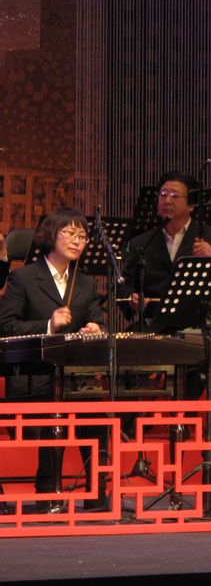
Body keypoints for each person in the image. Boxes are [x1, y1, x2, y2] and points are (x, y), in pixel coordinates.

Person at [0, 208, 107, 512]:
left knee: (98, 411)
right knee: (54, 406)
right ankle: (49, 489)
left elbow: (100, 322)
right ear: (50, 236)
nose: (77, 241)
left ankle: (97, 491)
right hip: (32, 374)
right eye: (69, 233)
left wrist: (96, 329)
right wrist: (48, 325)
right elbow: (6, 326)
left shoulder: (85, 283)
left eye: (82, 236)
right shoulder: (23, 277)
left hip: (73, 374)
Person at [121, 171, 211, 327]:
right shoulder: (140, 243)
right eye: (163, 195)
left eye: (175, 196)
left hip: (199, 326)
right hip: (152, 324)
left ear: (191, 205)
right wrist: (132, 298)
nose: (167, 201)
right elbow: (125, 284)